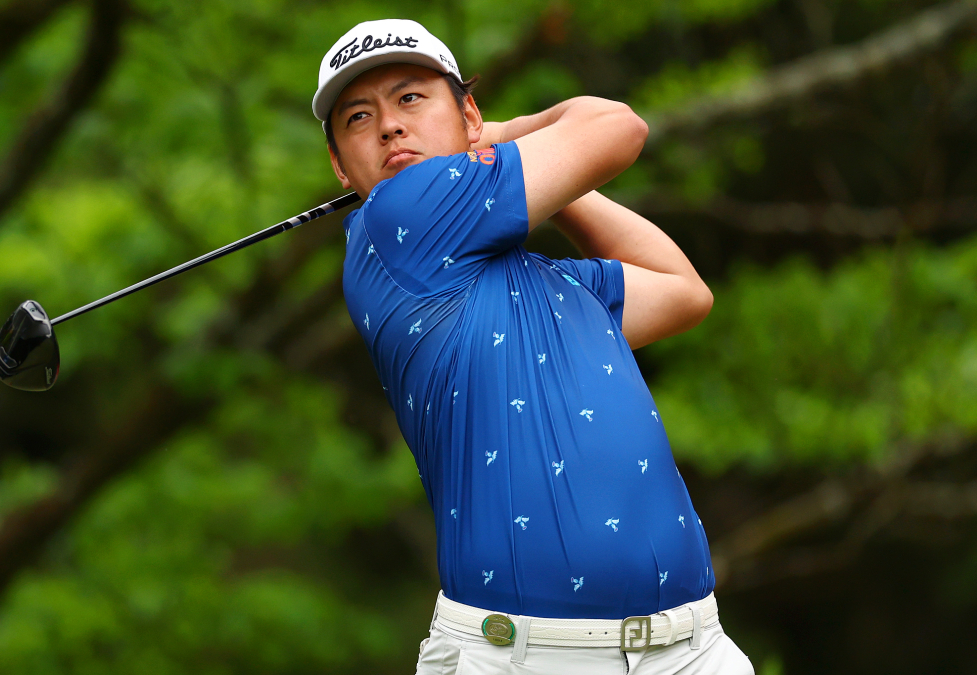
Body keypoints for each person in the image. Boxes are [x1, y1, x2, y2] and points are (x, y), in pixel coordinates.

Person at [314, 18, 753, 675]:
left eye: (410, 98)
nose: (389, 127)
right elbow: (616, 126)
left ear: (467, 113)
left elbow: (682, 292)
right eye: (358, 117)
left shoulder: (546, 282)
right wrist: (505, 136)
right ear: (340, 165)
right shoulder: (397, 217)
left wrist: (531, 170)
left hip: (691, 649)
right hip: (524, 656)